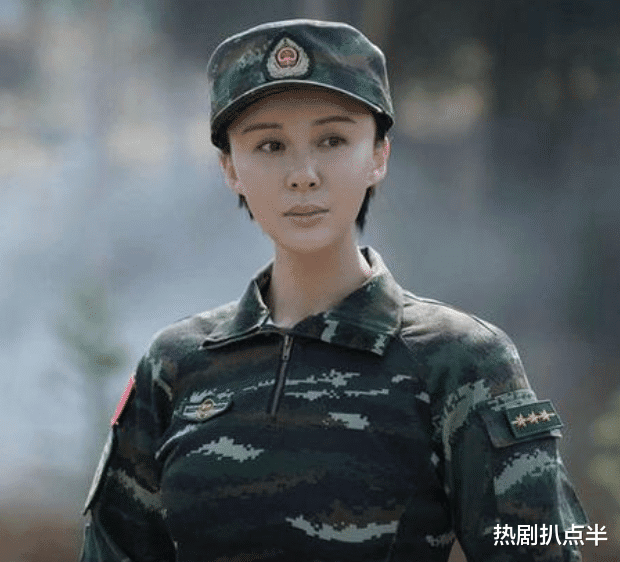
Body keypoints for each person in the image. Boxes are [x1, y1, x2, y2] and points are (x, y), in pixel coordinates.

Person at [79, 19, 587, 562]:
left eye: (332, 140)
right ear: (231, 168)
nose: (303, 174)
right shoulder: (175, 366)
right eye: (270, 145)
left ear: (379, 156)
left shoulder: (459, 360)